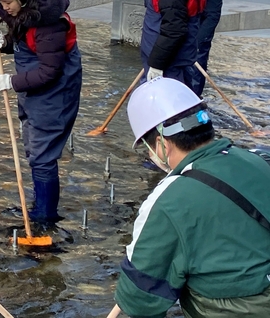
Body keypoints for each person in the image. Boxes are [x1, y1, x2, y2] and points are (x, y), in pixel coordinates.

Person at [115, 77, 270, 317]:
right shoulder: (255, 159)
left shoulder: (168, 201)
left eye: (147, 146)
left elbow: (139, 301)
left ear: (161, 144)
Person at [0, 0, 82, 223]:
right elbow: (26, 43)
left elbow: (50, 70)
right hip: (36, 92)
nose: (4, 8)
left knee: (42, 153)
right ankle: (39, 205)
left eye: (7, 2)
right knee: (34, 147)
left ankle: (45, 215)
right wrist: (5, 43)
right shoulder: (26, 14)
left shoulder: (50, 25)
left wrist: (13, 82)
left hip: (55, 93)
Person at [192, 0, 223, 97]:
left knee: (198, 62)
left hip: (202, 22)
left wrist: (197, 41)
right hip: (181, 22)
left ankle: (194, 98)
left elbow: (213, 14)